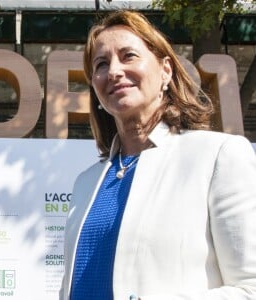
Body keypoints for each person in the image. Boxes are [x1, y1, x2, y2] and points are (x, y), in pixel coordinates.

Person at [59, 10, 256, 300]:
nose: (113, 71)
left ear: (165, 70)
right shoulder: (85, 183)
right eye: (101, 64)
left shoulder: (218, 156)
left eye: (128, 56)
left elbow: (250, 287)